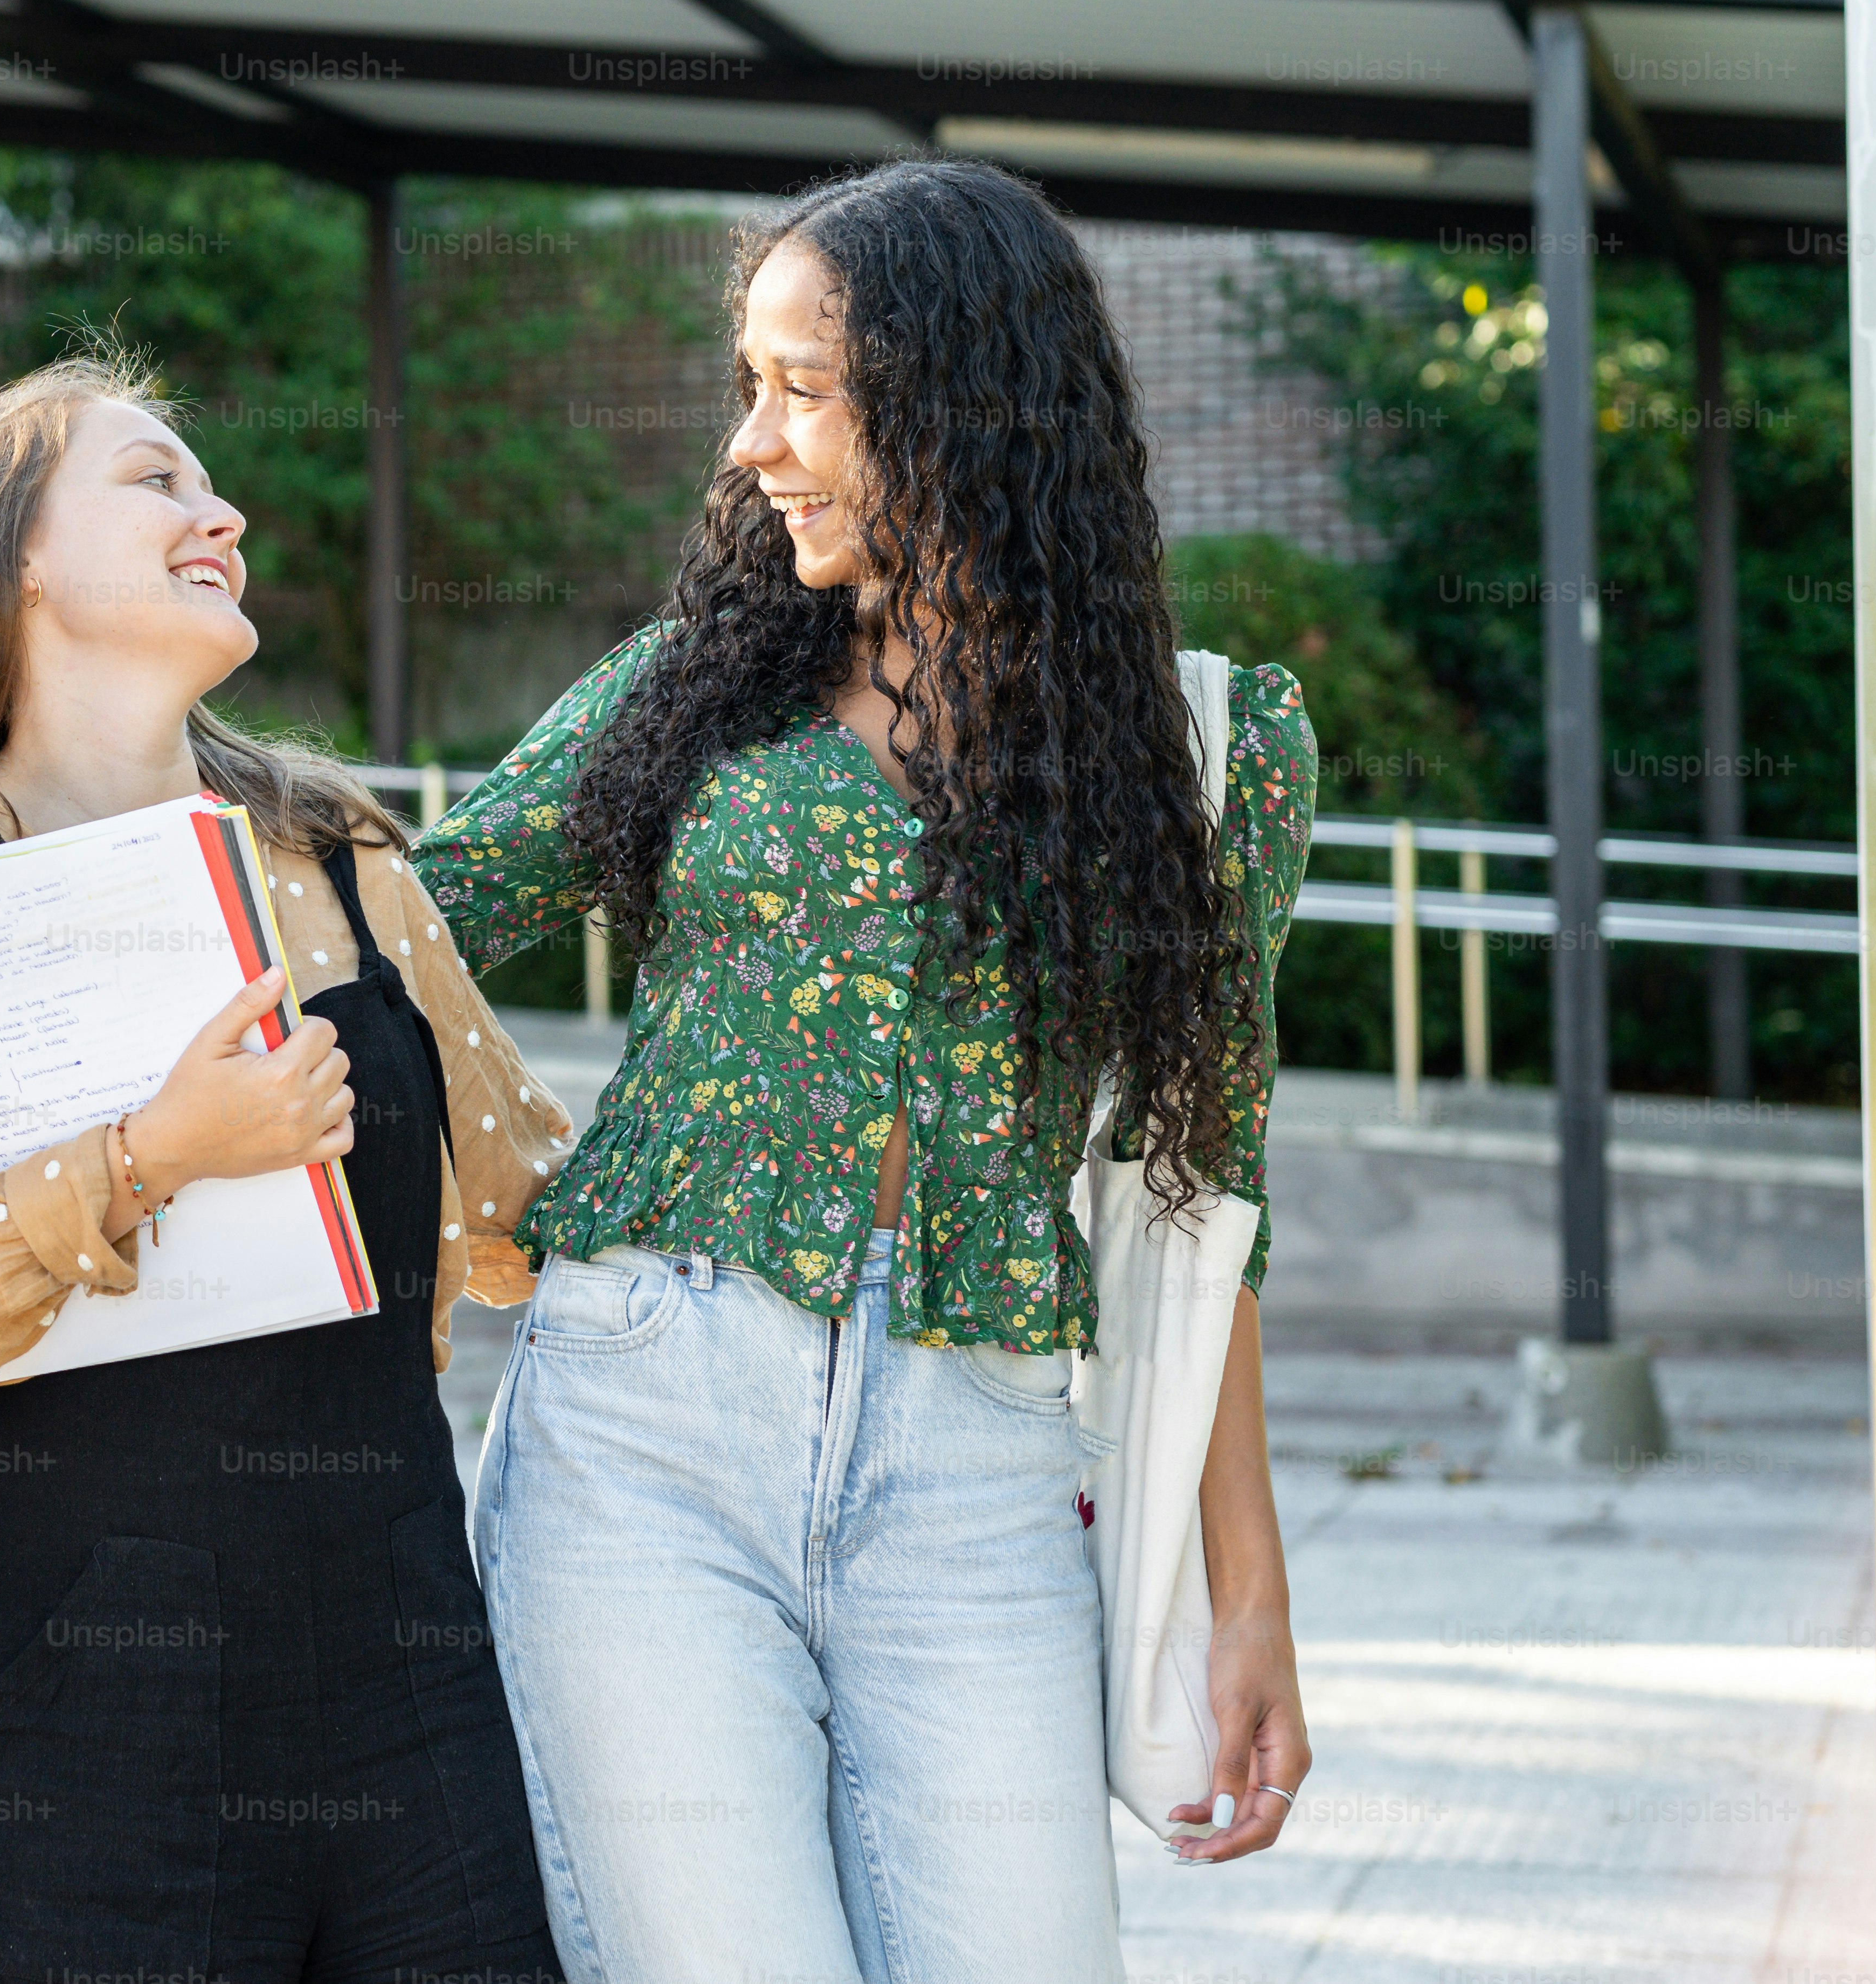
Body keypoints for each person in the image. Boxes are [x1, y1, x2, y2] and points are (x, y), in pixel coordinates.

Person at [422, 158, 1318, 1982]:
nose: (750, 440)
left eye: (800, 388)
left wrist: (1251, 1601)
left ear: (959, 401)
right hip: (647, 1439)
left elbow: (1198, 1179)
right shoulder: (700, 688)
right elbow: (403, 914)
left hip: (982, 1457)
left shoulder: (1209, 755)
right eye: (747, 382)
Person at [0, 358, 581, 1984]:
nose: (224, 512)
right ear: (10, 557)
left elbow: (531, 1206)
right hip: (73, 1726)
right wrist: (140, 1161)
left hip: (410, 1676)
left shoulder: (345, 855)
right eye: (156, 480)